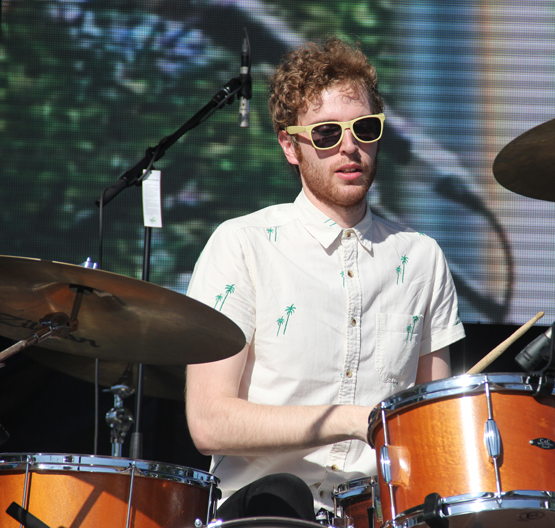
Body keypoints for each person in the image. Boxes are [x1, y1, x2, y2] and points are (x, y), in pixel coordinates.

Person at [184, 37, 465, 521]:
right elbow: (209, 422)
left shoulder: (422, 257)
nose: (349, 147)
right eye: (327, 133)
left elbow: (428, 428)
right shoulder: (242, 244)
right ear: (290, 146)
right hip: (261, 514)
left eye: (365, 128)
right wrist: (351, 421)